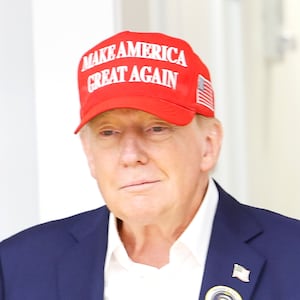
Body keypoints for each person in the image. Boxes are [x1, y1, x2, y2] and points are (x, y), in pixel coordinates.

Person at [0, 31, 300, 300]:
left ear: (209, 144)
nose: (130, 155)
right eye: (108, 132)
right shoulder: (18, 267)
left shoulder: (292, 258)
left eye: (156, 128)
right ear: (89, 154)